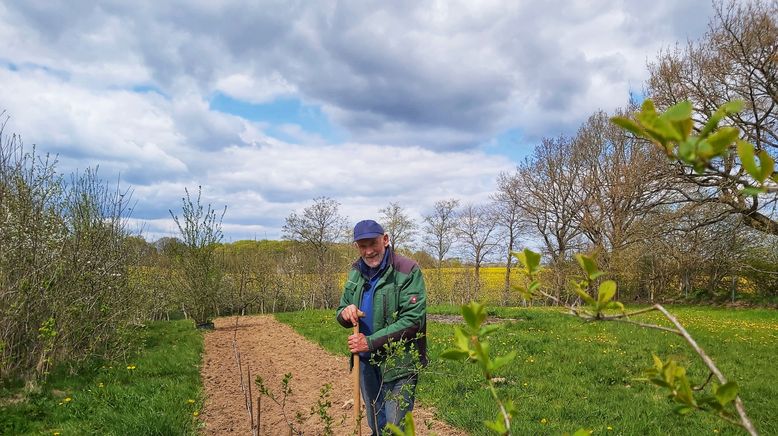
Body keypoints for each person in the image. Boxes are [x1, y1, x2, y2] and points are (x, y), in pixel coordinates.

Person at [336, 219, 427, 435]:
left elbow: (413, 321)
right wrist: (345, 313)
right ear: (356, 247)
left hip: (400, 363)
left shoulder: (407, 270)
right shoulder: (355, 272)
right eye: (362, 246)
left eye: (373, 244)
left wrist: (369, 342)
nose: (368, 252)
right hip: (366, 364)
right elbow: (341, 309)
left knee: (395, 427)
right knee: (375, 424)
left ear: (385, 240)